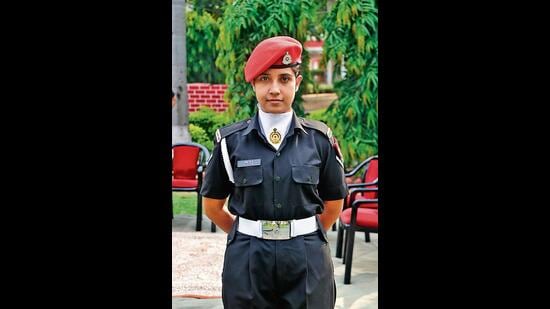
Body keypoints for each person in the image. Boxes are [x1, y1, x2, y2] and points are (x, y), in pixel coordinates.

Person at [200, 36, 348, 309]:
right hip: (247, 256)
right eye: (265, 79)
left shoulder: (320, 139)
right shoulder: (230, 142)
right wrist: (247, 233)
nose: (275, 89)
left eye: (284, 79)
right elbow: (212, 206)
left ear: (298, 83)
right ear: (254, 84)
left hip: (306, 255)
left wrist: (303, 233)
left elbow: (334, 202)